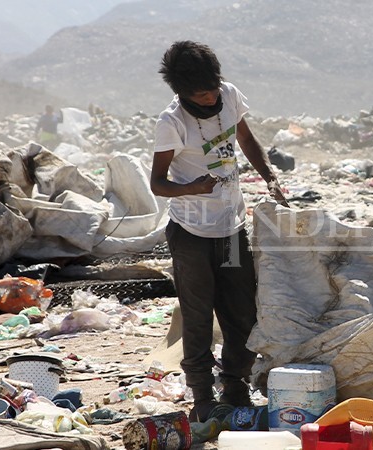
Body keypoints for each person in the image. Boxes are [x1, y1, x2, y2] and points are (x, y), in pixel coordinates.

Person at [150, 40, 289, 422]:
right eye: (201, 94)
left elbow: (245, 139)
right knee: (197, 318)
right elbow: (157, 183)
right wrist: (191, 188)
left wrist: (269, 177)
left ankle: (236, 387)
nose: (210, 97)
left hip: (231, 229)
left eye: (212, 88)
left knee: (241, 313)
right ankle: (202, 396)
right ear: (182, 92)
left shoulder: (228, 96)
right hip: (192, 234)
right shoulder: (172, 122)